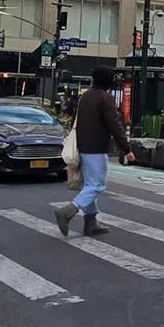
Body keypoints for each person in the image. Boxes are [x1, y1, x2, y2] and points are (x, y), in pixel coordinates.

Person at [54, 66, 134, 237]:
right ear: (109, 80)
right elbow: (115, 125)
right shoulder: (105, 99)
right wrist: (126, 150)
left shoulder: (86, 96)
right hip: (96, 148)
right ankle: (68, 211)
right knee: (97, 186)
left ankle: (91, 222)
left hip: (82, 146)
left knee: (90, 185)